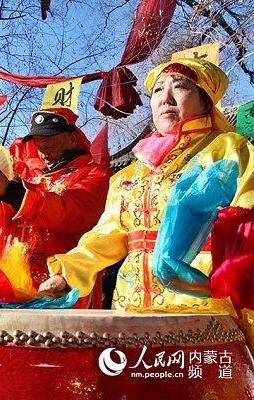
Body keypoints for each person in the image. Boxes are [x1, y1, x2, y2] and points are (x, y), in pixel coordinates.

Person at [39, 58, 254, 314]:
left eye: (181, 87)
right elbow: (108, 234)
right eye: (158, 89)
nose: (166, 98)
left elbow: (247, 219)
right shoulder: (130, 173)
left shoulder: (229, 148)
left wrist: (229, 278)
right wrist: (69, 272)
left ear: (206, 100)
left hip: (199, 299)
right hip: (132, 301)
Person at [0, 108, 114, 306]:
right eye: (39, 146)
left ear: (72, 139)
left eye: (50, 145)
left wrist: (12, 191)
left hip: (60, 290)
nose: (43, 153)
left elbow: (68, 213)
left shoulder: (95, 176)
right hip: (12, 288)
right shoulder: (31, 179)